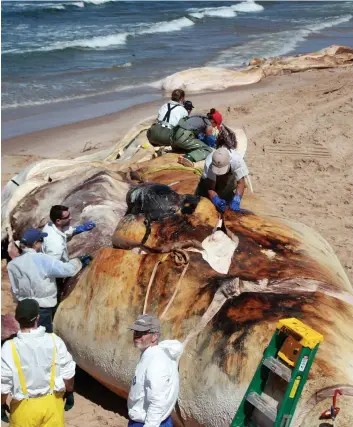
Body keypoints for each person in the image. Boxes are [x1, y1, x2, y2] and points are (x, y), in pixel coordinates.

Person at [1, 299, 76, 426]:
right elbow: (68, 374)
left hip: (23, 409)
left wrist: (2, 404)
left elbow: (3, 385)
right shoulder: (55, 341)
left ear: (17, 319)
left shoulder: (9, 347)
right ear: (38, 317)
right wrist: (69, 391)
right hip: (53, 405)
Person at [7, 228, 90, 333]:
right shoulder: (42, 259)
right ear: (35, 243)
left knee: (27, 334)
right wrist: (78, 261)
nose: (42, 243)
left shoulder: (12, 264)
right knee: (43, 338)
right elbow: (67, 270)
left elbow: (14, 289)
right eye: (41, 240)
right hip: (41, 309)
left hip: (23, 307)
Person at [128, 314, 183, 427]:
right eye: (135, 332)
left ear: (154, 336)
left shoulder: (156, 361)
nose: (136, 336)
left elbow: (157, 400)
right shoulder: (150, 355)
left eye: (142, 333)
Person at [195, 147, 249, 213]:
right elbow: (210, 187)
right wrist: (215, 199)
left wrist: (236, 200)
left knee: (228, 205)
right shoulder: (209, 162)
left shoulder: (237, 161)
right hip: (211, 182)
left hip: (229, 180)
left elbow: (240, 183)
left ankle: (228, 195)